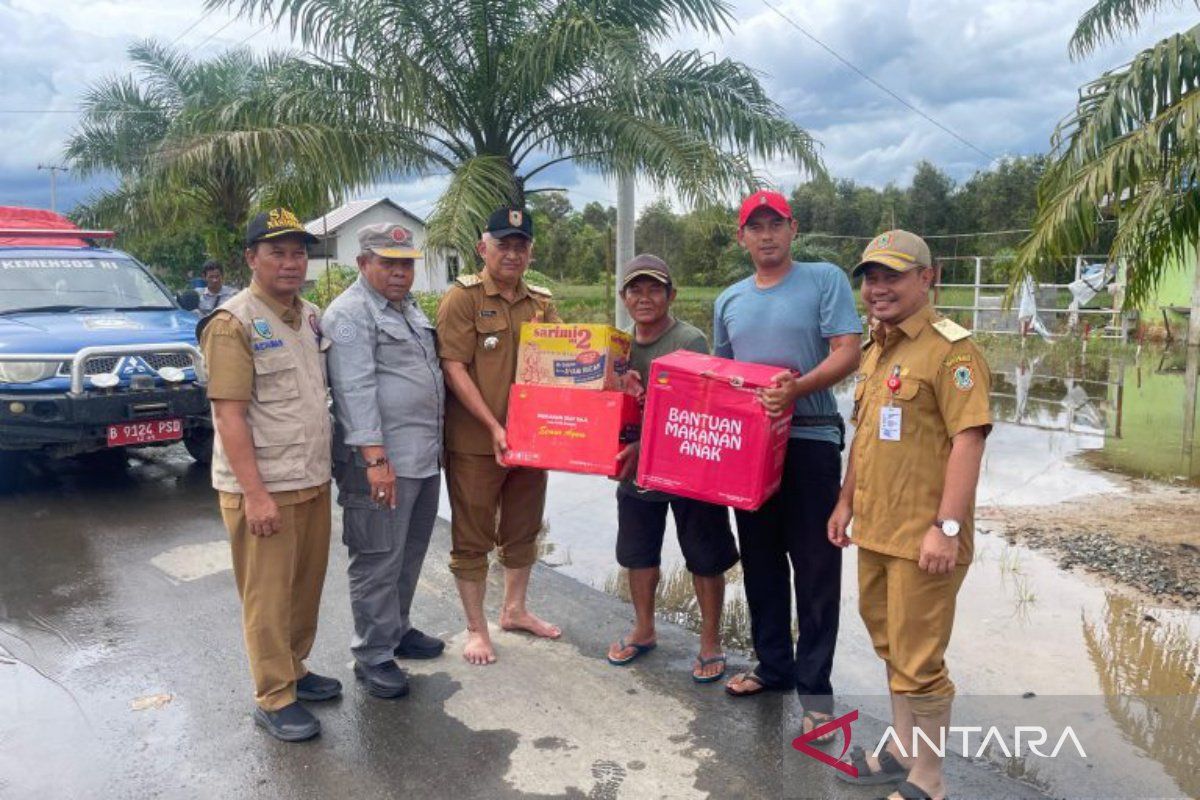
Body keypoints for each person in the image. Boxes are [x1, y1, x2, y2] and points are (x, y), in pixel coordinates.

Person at [828, 230, 991, 800]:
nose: (878, 288)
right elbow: (866, 435)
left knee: (920, 662)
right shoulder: (878, 348)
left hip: (924, 540)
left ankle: (930, 778)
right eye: (871, 277)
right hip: (877, 529)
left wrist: (946, 528)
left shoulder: (953, 352)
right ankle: (901, 750)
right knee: (892, 648)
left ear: (928, 277)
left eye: (893, 275)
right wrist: (846, 502)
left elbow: (969, 442)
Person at [713, 190, 862, 742]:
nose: (767, 234)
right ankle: (773, 667)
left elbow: (849, 350)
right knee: (761, 561)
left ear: (792, 229)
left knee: (817, 567)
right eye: (756, 226)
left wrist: (796, 389)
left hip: (809, 440)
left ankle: (816, 692)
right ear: (742, 237)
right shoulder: (729, 299)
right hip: (750, 447)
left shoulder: (825, 279)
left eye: (776, 223)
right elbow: (723, 378)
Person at [197, 207, 339, 743]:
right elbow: (229, 416)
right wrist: (255, 496)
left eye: (298, 252)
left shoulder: (309, 316)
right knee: (267, 595)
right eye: (277, 252)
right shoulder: (233, 322)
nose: (290, 262)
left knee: (304, 588)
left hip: (309, 480)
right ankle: (273, 695)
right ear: (251, 258)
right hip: (263, 490)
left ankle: (296, 669)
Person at [323, 223, 446, 700]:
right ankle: (372, 653)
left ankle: (397, 629)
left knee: (409, 552)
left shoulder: (408, 308)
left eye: (406, 263)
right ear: (362, 263)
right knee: (376, 557)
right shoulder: (351, 314)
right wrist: (375, 460)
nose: (399, 272)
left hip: (420, 457)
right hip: (378, 461)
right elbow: (355, 391)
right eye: (388, 262)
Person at [435, 207, 562, 666]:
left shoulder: (541, 303)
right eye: (503, 244)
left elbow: (561, 365)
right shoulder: (462, 299)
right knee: (472, 535)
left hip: (532, 440)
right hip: (475, 442)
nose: (512, 253)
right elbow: (453, 367)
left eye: (520, 245)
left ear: (530, 251)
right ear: (481, 247)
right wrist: (493, 426)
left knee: (523, 528)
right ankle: (476, 629)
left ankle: (515, 610)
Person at [605, 254, 739, 683]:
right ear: (624, 297)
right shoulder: (618, 348)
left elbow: (692, 412)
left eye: (654, 289)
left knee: (704, 555)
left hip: (689, 470)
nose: (644, 298)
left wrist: (643, 442)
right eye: (635, 290)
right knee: (637, 553)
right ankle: (644, 630)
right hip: (635, 471)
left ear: (671, 295)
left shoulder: (690, 341)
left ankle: (710, 642)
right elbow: (605, 409)